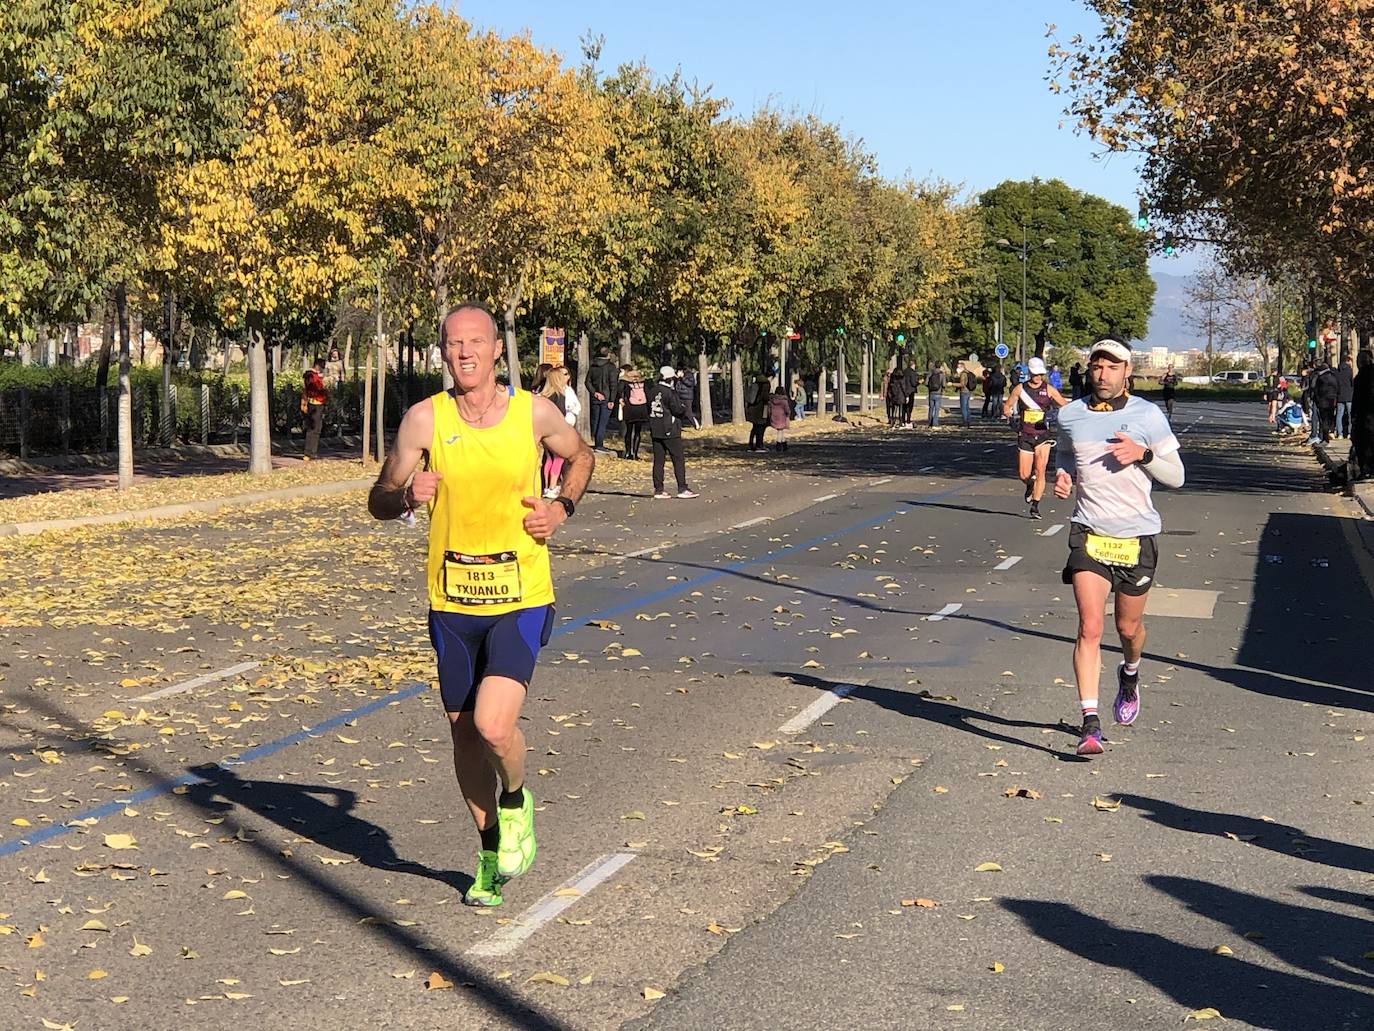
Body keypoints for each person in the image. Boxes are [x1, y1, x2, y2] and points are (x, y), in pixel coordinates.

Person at [366, 304, 592, 906]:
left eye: (475, 342)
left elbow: (582, 454)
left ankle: (516, 800)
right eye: (453, 343)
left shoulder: (532, 412)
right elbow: (379, 498)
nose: (464, 352)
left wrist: (561, 508)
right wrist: (406, 494)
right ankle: (489, 852)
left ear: (497, 351)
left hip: (520, 595)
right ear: (443, 352)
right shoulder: (425, 420)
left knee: (494, 725)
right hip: (452, 600)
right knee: (464, 732)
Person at [1053, 337, 1184, 757]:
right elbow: (1066, 454)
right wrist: (1063, 475)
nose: (1104, 374)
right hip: (1089, 532)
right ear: (1089, 369)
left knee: (1127, 629)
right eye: (1097, 366)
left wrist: (1143, 454)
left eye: (1113, 367)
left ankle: (1130, 673)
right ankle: (1090, 723)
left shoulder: (1147, 414)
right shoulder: (1071, 415)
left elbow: (1177, 477)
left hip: (1136, 536)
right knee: (1090, 627)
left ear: (1127, 371)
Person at [1002, 356, 1068, 520]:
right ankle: (1029, 485)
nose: (1039, 377)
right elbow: (1007, 406)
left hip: (1043, 435)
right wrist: (1010, 417)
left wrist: (1054, 414)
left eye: (1041, 374)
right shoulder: (1020, 389)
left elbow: (1064, 405)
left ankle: (1035, 506)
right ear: (1030, 373)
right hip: (1025, 434)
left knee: (1040, 471)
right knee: (1024, 474)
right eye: (1036, 374)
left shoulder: (1049, 389)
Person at [650, 365, 698, 498]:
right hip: (670, 429)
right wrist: (683, 410)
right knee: (678, 459)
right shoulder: (670, 393)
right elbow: (677, 409)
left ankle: (658, 489)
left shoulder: (652, 390)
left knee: (658, 461)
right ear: (671, 379)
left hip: (655, 428)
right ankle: (682, 488)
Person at [538, 366, 578, 497]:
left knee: (549, 458)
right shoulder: (560, 395)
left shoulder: (543, 395)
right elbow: (561, 413)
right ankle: (553, 486)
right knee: (559, 459)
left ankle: (546, 487)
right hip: (557, 431)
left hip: (545, 431)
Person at [587, 345, 619, 454]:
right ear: (608, 354)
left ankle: (597, 442)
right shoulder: (611, 367)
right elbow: (613, 384)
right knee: (602, 422)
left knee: (596, 420)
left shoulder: (593, 366)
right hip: (607, 397)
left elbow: (588, 382)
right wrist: (612, 400)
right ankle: (599, 445)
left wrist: (594, 392)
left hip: (596, 397)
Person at [618, 366, 649, 459]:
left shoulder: (624, 382)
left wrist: (621, 399)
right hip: (641, 408)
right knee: (638, 432)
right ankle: (635, 453)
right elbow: (647, 393)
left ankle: (628, 453)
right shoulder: (642, 382)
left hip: (630, 408)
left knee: (628, 431)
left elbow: (619, 391)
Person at [300, 357, 328, 460]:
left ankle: (312, 451)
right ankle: (309, 452)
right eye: (322, 367)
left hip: (318, 402)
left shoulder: (313, 376)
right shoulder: (311, 376)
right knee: (314, 428)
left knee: (316, 428)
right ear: (318, 366)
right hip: (315, 403)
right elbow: (315, 388)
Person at [1352, 351, 1374, 476]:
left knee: (1363, 443)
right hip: (1367, 415)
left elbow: (1357, 399)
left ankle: (1365, 469)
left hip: (1364, 416)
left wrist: (1353, 417)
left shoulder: (1360, 377)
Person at [1309, 361, 1339, 443]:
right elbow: (1337, 388)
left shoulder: (1320, 378)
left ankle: (1324, 438)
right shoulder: (1334, 376)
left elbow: (1316, 390)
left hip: (1323, 401)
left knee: (1323, 420)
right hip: (1332, 400)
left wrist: (1318, 400)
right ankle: (1329, 433)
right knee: (1330, 418)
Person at [746, 374, 771, 451]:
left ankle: (751, 444)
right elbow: (765, 397)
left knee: (754, 427)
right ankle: (759, 444)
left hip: (752, 409)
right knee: (761, 427)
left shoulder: (755, 384)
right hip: (761, 409)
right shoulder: (765, 385)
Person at [1336, 354, 1355, 440]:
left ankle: (1339, 433)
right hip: (1349, 396)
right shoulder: (1350, 371)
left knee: (1339, 415)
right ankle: (1349, 433)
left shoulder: (1338, 371)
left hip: (1340, 396)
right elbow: (1352, 383)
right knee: (1350, 415)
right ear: (1348, 361)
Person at [768, 384, 791, 451]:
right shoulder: (784, 401)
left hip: (774, 416)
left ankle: (784, 444)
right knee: (780, 431)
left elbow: (769, 409)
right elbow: (787, 409)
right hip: (782, 417)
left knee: (780, 431)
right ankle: (779, 444)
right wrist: (788, 414)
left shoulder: (772, 400)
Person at [956, 361, 978, 428]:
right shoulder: (968, 372)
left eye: (958, 367)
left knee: (963, 408)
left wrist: (952, 384)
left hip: (964, 391)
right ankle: (968, 422)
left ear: (962, 367)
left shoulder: (963, 374)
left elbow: (962, 384)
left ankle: (965, 422)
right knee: (967, 407)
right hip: (968, 391)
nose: (957, 369)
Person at [925, 362, 947, 428]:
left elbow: (926, 383)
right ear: (940, 366)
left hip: (931, 392)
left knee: (931, 408)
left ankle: (930, 423)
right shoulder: (942, 374)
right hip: (938, 393)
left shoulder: (930, 373)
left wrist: (930, 387)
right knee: (937, 409)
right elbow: (944, 384)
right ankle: (935, 423)